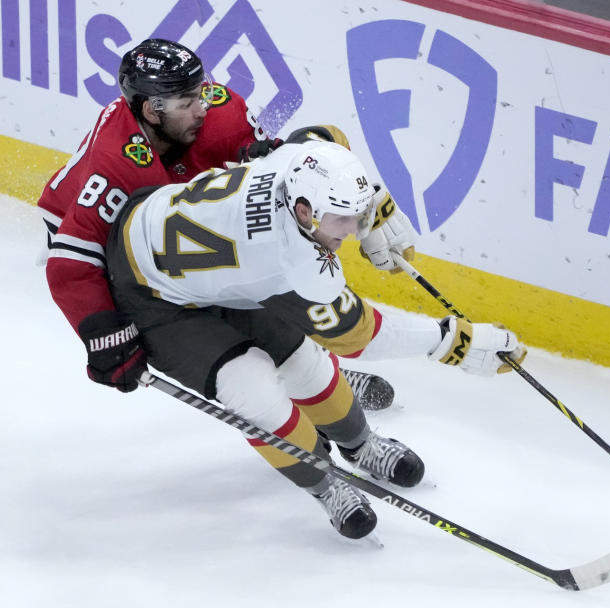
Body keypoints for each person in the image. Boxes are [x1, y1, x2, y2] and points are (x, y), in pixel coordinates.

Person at [101, 139, 526, 538]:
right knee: (253, 388)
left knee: (304, 364)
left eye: (355, 217)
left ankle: (360, 446)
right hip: (154, 297)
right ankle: (324, 483)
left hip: (211, 266)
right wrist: (451, 341)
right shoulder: (288, 262)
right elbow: (358, 336)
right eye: (343, 219)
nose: (353, 232)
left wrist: (376, 208)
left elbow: (329, 139)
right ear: (305, 212)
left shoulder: (296, 164)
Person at [37, 38, 393, 409]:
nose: (202, 107)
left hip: (166, 213)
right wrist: (103, 330)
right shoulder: (119, 165)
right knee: (204, 303)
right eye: (187, 102)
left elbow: (273, 169)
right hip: (90, 237)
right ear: (152, 110)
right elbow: (71, 263)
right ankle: (284, 381)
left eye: (200, 91)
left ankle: (314, 371)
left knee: (257, 261)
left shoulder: (217, 112)